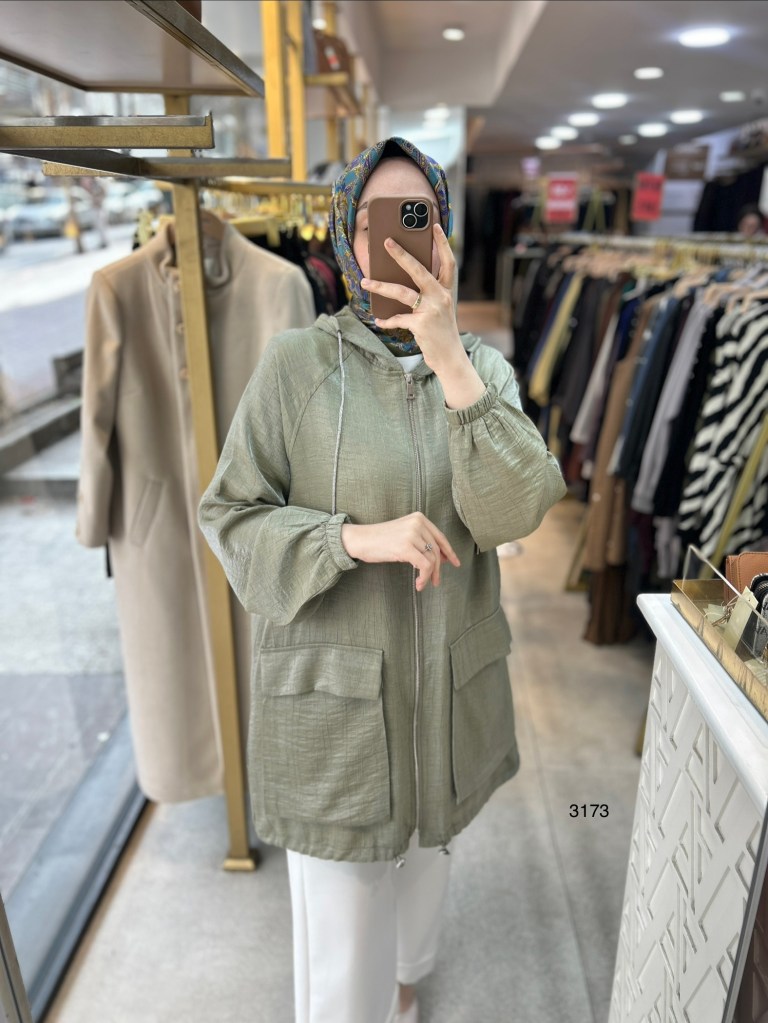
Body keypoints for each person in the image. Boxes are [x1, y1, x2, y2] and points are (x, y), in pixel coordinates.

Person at [198, 137, 566, 1023]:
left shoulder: (482, 370)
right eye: (378, 220)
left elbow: (518, 508)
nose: (398, 239)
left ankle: (408, 983)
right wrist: (350, 539)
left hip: (448, 696)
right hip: (337, 705)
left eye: (419, 216)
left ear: (443, 233)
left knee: (429, 863)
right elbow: (231, 515)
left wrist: (448, 358)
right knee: (342, 947)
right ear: (344, 235)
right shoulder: (295, 365)